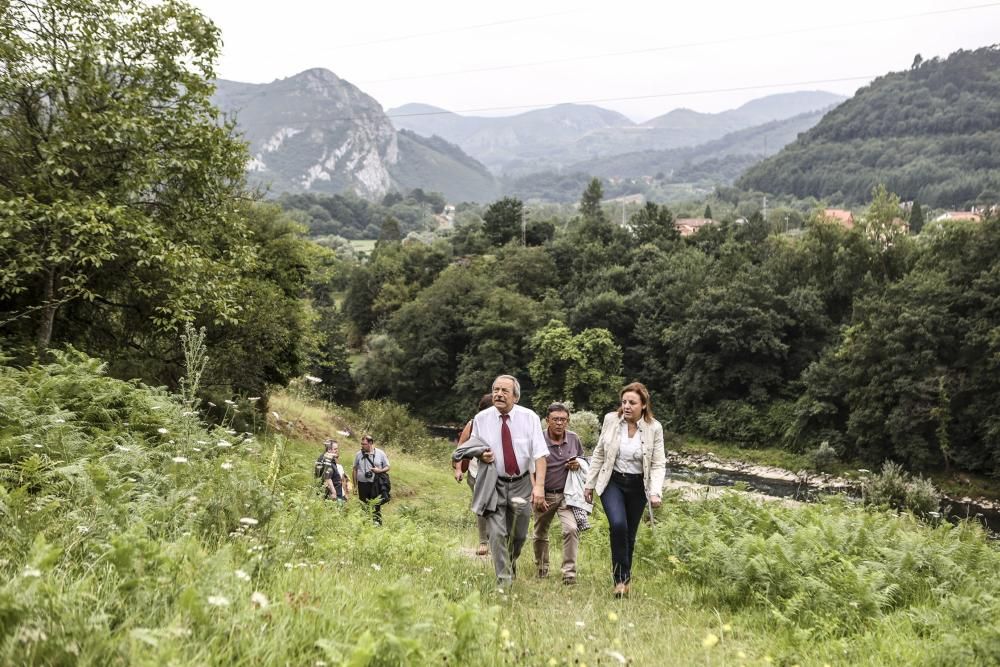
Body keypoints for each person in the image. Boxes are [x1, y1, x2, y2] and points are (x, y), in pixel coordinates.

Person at [584, 382, 666, 598]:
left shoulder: (654, 428)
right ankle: (620, 580)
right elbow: (599, 453)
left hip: (638, 486)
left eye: (632, 402)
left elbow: (658, 463)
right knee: (618, 525)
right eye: (624, 402)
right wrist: (589, 483)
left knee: (629, 534)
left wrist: (655, 491)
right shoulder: (611, 420)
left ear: (644, 405)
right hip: (613, 482)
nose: (627, 406)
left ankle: (624, 580)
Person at [469, 374, 548, 587]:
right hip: (493, 482)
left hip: (522, 483)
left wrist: (539, 486)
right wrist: (480, 454)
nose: (499, 394)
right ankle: (504, 581)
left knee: (519, 534)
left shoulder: (529, 417)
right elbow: (473, 446)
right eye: (496, 390)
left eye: (505, 391)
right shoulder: (481, 419)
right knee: (496, 533)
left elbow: (540, 455)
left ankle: (510, 561)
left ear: (516, 397)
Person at [532, 402, 586, 585]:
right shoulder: (538, 439)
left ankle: (569, 574)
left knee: (571, 529)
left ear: (568, 421)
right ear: (547, 420)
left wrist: (577, 464)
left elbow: (583, 461)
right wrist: (535, 491)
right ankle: (541, 568)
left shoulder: (573, 439)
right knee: (540, 533)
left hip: (567, 495)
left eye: (563, 419)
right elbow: (529, 468)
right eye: (555, 419)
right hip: (544, 494)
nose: (559, 423)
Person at [454, 393, 494, 556]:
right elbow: (461, 447)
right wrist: (458, 469)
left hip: (498, 472)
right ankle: (483, 541)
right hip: (476, 472)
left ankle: (495, 538)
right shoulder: (473, 424)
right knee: (482, 506)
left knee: (498, 505)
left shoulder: (505, 423)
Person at [353, 435, 390, 525]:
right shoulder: (358, 454)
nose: (362, 446)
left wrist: (379, 470)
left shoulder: (380, 453)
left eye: (364, 444)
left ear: (370, 443)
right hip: (362, 484)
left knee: (376, 506)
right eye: (361, 444)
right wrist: (355, 485)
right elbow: (354, 469)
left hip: (375, 484)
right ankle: (364, 525)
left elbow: (388, 466)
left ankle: (377, 525)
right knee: (364, 506)